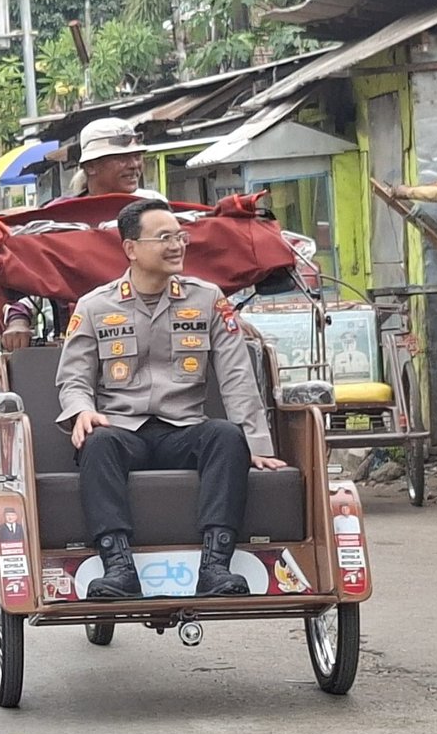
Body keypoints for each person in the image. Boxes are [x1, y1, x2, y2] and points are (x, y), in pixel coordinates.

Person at [56, 199, 286, 599]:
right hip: (123, 430)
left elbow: (237, 377)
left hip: (184, 430)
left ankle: (215, 566)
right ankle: (118, 568)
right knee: (98, 443)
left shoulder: (208, 299)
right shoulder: (95, 307)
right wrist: (83, 411)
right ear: (130, 248)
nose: (177, 245)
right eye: (164, 238)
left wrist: (258, 444)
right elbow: (73, 378)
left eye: (180, 236)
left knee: (227, 436)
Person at [1, 118, 165, 352]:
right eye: (121, 158)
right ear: (91, 167)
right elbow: (31, 276)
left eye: (137, 157)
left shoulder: (156, 208)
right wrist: (18, 318)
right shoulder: (59, 217)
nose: (134, 165)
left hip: (154, 330)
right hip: (80, 340)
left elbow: (188, 267)